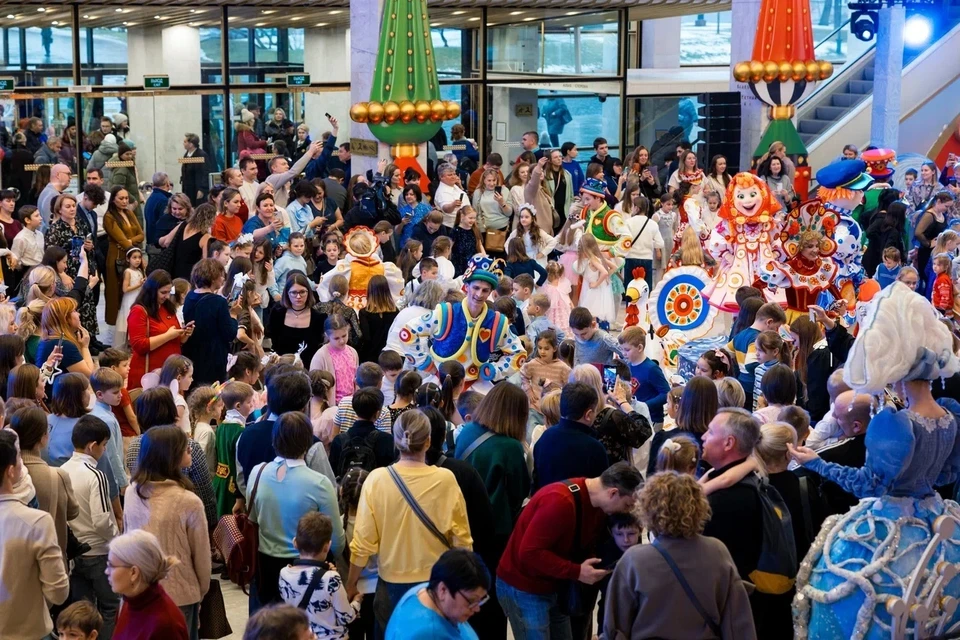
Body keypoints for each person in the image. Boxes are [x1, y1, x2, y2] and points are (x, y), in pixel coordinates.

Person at [345, 410, 473, 636]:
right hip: (437, 585)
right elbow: (462, 540)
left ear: (396, 441)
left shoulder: (377, 479)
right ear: (429, 442)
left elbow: (363, 543)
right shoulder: (445, 480)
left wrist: (351, 583)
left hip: (391, 586)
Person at [496, 462, 643, 639]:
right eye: (627, 505)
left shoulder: (595, 504)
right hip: (524, 587)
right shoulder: (560, 501)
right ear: (613, 493)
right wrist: (577, 571)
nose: (626, 511)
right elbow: (529, 553)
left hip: (554, 585)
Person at [603, 471, 756, 639]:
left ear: (647, 510)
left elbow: (615, 629)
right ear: (699, 507)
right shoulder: (717, 552)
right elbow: (737, 624)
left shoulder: (634, 561)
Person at [699, 408, 791, 636]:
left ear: (729, 443)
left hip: (730, 610)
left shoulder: (726, 498)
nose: (702, 436)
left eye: (710, 432)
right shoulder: (736, 478)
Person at [246, 412, 344, 613]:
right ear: (308, 441)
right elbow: (337, 540)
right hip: (308, 568)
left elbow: (253, 518)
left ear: (275, 439)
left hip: (264, 565)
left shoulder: (258, 472)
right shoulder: (320, 483)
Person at [123, 426, 210, 639]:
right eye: (184, 447)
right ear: (170, 455)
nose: (190, 449)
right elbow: (202, 556)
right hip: (180, 594)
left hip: (139, 590)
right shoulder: (189, 501)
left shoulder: (132, 491)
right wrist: (200, 592)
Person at [400, 255, 524, 388]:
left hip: (475, 386)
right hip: (440, 383)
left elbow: (518, 354)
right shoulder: (445, 314)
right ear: (466, 287)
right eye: (476, 288)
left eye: (485, 290)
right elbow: (408, 333)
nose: (479, 294)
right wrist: (427, 364)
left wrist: (493, 371)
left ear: (490, 293)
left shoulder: (496, 322)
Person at [0, 429, 70, 640]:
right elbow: (58, 593)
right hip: (29, 631)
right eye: (19, 456)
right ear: (10, 471)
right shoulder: (37, 522)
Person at [61, 414, 121, 639]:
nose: (104, 450)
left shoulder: (62, 470)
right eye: (104, 445)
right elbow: (102, 520)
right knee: (110, 606)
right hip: (98, 551)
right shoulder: (96, 475)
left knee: (82, 613)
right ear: (92, 446)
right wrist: (116, 539)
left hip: (74, 553)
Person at [13, 404, 81, 565]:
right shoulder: (57, 476)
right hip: (51, 562)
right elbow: (72, 512)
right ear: (44, 438)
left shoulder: (7, 474)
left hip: (15, 566)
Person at [385, 549, 489, 640]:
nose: (477, 609)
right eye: (471, 601)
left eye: (480, 600)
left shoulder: (423, 590)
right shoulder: (429, 635)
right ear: (443, 590)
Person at [108, 530, 189, 640]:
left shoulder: (165, 624)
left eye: (112, 566)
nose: (107, 572)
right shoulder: (129, 601)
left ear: (133, 573)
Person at [533, 381, 608, 490]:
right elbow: (600, 492)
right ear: (588, 415)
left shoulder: (545, 437)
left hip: (546, 503)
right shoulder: (594, 448)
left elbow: (536, 481)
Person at [181, 259, 241, 386]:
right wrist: (234, 315)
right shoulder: (218, 302)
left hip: (191, 352)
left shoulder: (189, 296)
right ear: (213, 278)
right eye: (221, 276)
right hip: (213, 357)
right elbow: (230, 333)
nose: (223, 279)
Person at [127, 271, 191, 389]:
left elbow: (175, 340)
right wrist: (168, 335)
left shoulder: (167, 308)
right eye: (163, 292)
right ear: (152, 290)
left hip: (170, 372)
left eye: (168, 292)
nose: (167, 296)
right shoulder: (139, 311)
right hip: (150, 373)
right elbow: (139, 345)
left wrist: (184, 335)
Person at [103, 186, 145, 331]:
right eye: (121, 198)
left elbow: (141, 234)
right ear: (113, 199)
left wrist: (128, 241)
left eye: (126, 198)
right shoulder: (109, 216)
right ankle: (117, 328)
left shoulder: (129, 212)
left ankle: (132, 323)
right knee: (116, 292)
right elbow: (121, 240)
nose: (125, 201)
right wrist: (128, 242)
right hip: (117, 257)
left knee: (134, 289)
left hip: (132, 254)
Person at [268, 271, 325, 366]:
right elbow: (274, 342)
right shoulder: (277, 312)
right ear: (287, 293)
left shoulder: (318, 317)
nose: (298, 296)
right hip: (281, 368)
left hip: (308, 368)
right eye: (294, 292)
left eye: (302, 292)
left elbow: (317, 348)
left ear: (309, 292)